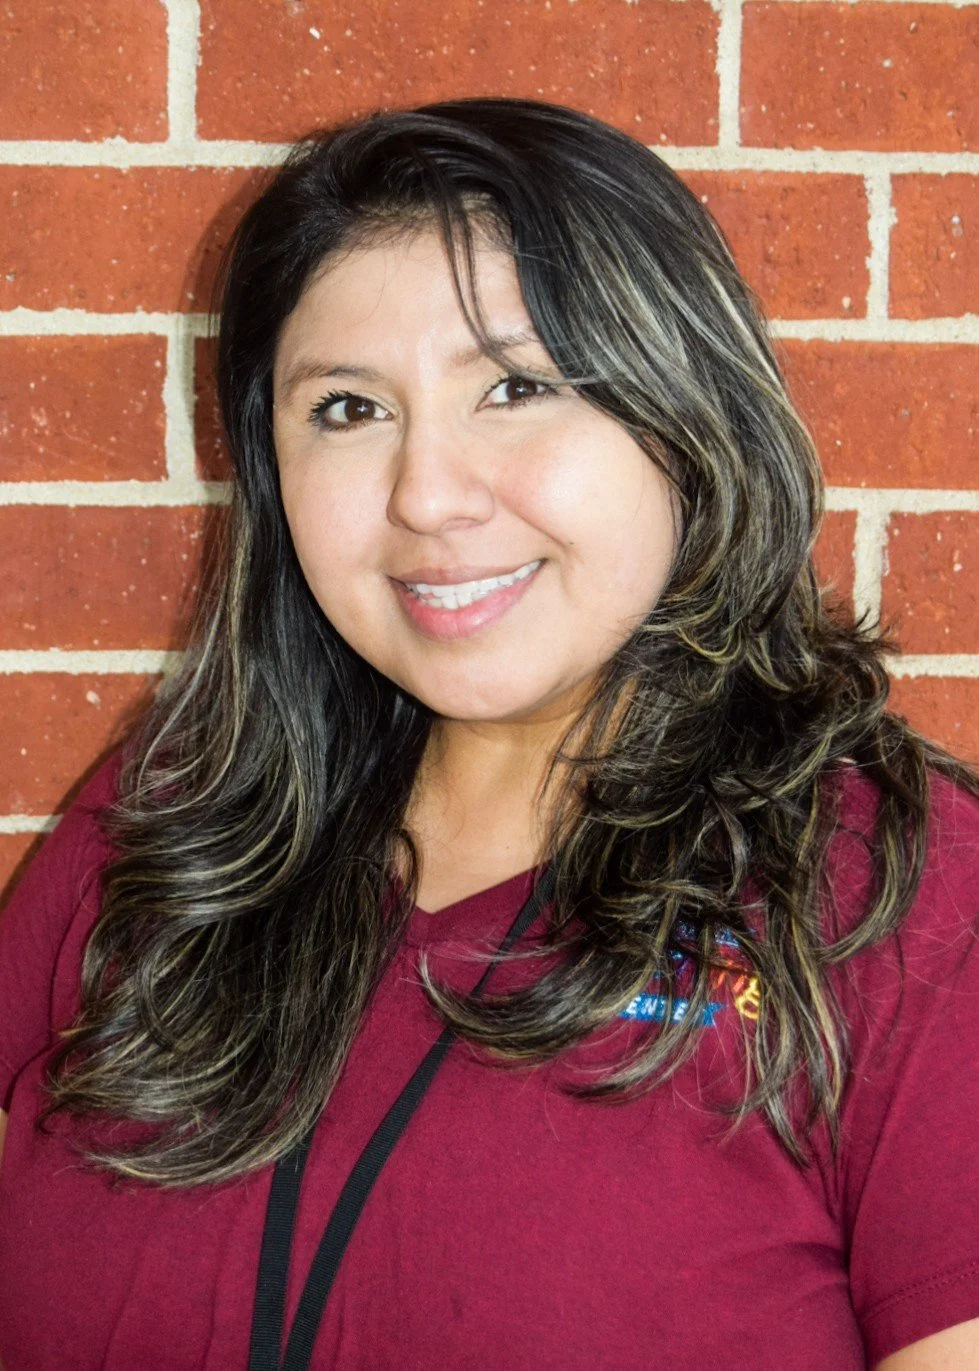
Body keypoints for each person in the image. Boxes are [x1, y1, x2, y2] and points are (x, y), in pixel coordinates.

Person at [0, 98, 977, 1371]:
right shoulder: (174, 819)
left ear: (686, 419)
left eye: (515, 387)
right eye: (346, 409)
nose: (425, 496)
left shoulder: (897, 897)